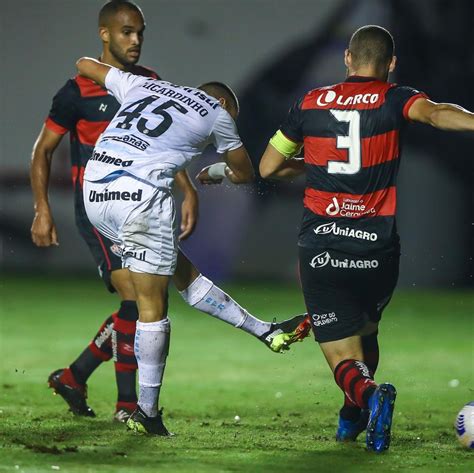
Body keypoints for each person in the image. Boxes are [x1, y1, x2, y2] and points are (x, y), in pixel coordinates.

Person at [30, 0, 308, 423]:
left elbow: (84, 63)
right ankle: (142, 410)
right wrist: (213, 170)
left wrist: (186, 187)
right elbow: (246, 173)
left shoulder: (146, 86)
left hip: (96, 194)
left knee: (178, 271)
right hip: (139, 199)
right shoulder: (218, 114)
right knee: (148, 306)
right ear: (223, 106)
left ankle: (263, 331)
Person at [259, 24, 474, 452]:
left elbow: (268, 167)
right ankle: (349, 419)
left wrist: (312, 164)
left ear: (347, 58)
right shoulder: (394, 98)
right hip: (378, 249)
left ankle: (372, 398)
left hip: (323, 245)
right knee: (366, 333)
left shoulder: (310, 102)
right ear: (391, 65)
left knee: (342, 354)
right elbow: (435, 113)